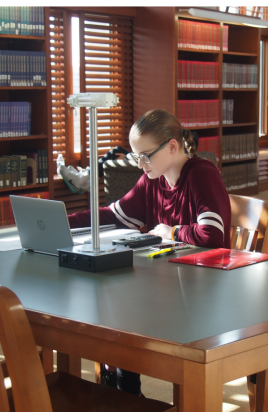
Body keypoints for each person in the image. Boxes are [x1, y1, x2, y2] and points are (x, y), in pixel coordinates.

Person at [68, 109, 232, 396]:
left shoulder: (201, 175)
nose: (141, 165)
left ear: (171, 146)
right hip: (170, 283)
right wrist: (61, 221)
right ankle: (124, 386)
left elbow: (211, 236)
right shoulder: (152, 181)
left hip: (203, 289)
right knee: (111, 294)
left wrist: (171, 231)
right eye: (136, 157)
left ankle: (124, 387)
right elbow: (114, 215)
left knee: (124, 302)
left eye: (145, 156)